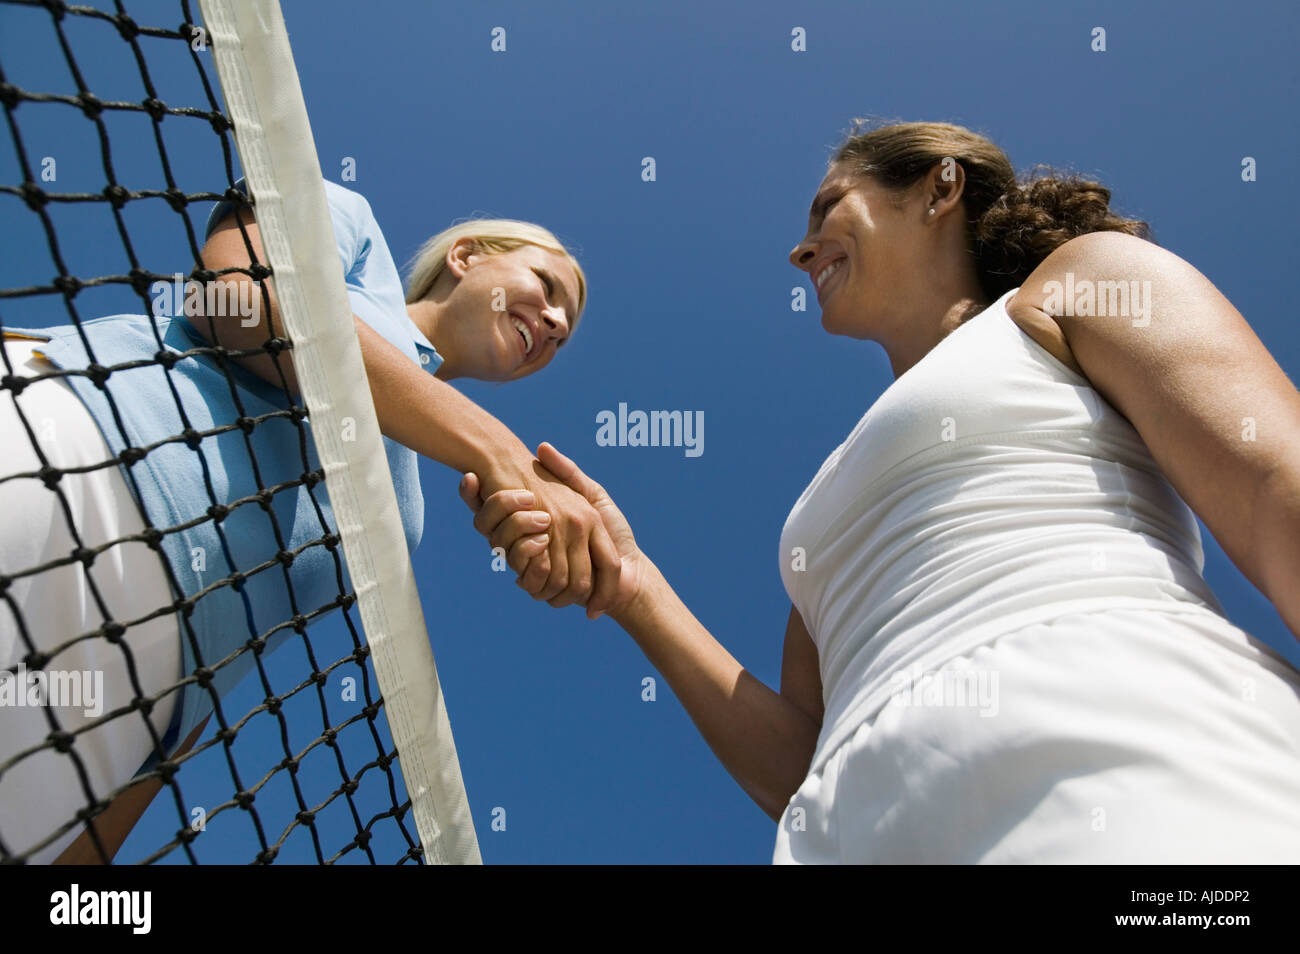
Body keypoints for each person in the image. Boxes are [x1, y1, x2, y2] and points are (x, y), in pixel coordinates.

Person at [461, 120, 1300, 863]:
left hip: (1136, 767)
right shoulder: (827, 500)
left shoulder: (1077, 285)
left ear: (939, 187)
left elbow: (1275, 488)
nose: (801, 247)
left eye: (828, 206)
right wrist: (635, 585)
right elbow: (802, 762)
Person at [0, 178, 619, 863]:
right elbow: (234, 296)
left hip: (123, 715)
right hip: (62, 453)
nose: (558, 324)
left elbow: (237, 649)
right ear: (467, 257)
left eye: (566, 334)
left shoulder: (404, 511)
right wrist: (495, 448)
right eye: (548, 285)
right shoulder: (358, 238)